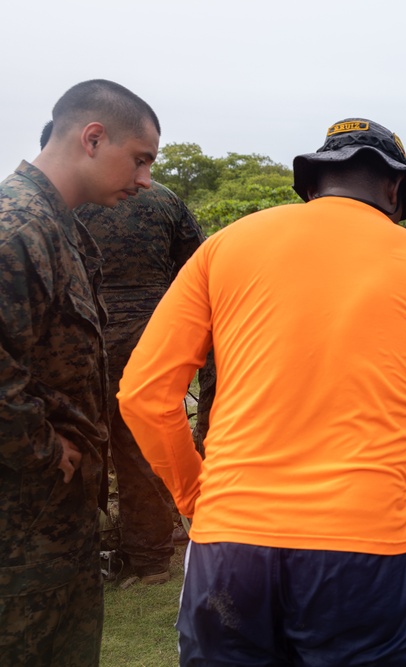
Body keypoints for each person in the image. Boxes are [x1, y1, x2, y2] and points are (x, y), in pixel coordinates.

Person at [118, 118, 406, 666]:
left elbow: (144, 394)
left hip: (230, 549)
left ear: (314, 182)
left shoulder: (226, 246)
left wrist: (198, 496)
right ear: (394, 190)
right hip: (363, 553)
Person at [0, 79, 160, 667]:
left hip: (58, 521)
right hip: (20, 525)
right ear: (93, 138)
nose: (145, 180)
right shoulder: (16, 229)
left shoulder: (62, 225)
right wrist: (47, 452)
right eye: (140, 159)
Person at [76, 180, 212, 585]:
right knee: (139, 441)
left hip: (84, 324)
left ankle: (81, 554)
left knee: (80, 439)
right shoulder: (165, 197)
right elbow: (197, 259)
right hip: (153, 327)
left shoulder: (69, 194)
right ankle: (150, 557)